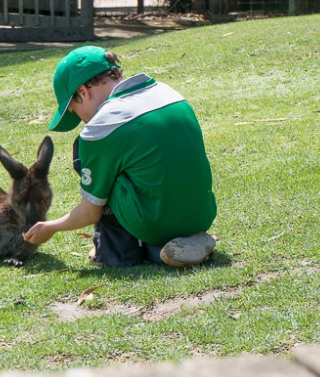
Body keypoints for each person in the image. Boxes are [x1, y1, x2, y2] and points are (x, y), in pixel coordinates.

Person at [22, 45, 217, 267]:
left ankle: (116, 253)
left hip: (156, 222)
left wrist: (51, 227)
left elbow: (90, 212)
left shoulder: (100, 128)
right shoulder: (168, 93)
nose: (82, 120)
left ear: (83, 92)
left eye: (75, 110)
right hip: (201, 213)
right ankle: (175, 243)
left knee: (92, 163)